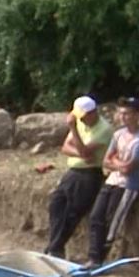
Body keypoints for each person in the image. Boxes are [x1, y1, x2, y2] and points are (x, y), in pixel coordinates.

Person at [83, 96, 139, 269]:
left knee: (111, 222)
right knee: (96, 216)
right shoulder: (118, 134)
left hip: (127, 186)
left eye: (127, 113)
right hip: (112, 181)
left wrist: (116, 162)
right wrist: (118, 163)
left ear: (136, 115)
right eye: (121, 113)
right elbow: (106, 160)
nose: (123, 117)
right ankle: (93, 257)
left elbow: (130, 169)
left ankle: (99, 258)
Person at [44, 95, 115, 260]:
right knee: (56, 204)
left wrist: (74, 130)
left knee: (72, 212)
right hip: (73, 171)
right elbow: (66, 147)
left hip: (90, 174)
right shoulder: (80, 124)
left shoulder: (104, 129)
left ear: (92, 113)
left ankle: (55, 249)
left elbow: (84, 152)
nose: (80, 121)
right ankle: (55, 247)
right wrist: (81, 152)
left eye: (83, 118)